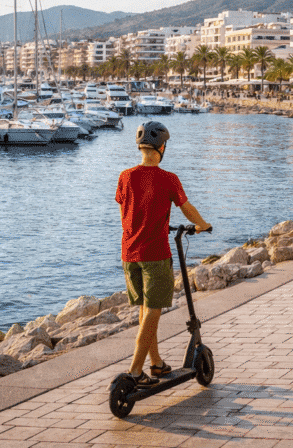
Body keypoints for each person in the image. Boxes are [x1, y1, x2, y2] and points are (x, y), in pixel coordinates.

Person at [117, 121, 211, 386]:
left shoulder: (125, 176)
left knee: (146, 309)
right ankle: (136, 370)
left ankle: (156, 363)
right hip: (156, 253)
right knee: (154, 310)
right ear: (162, 147)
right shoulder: (169, 179)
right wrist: (203, 226)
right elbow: (187, 208)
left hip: (129, 253)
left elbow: (125, 212)